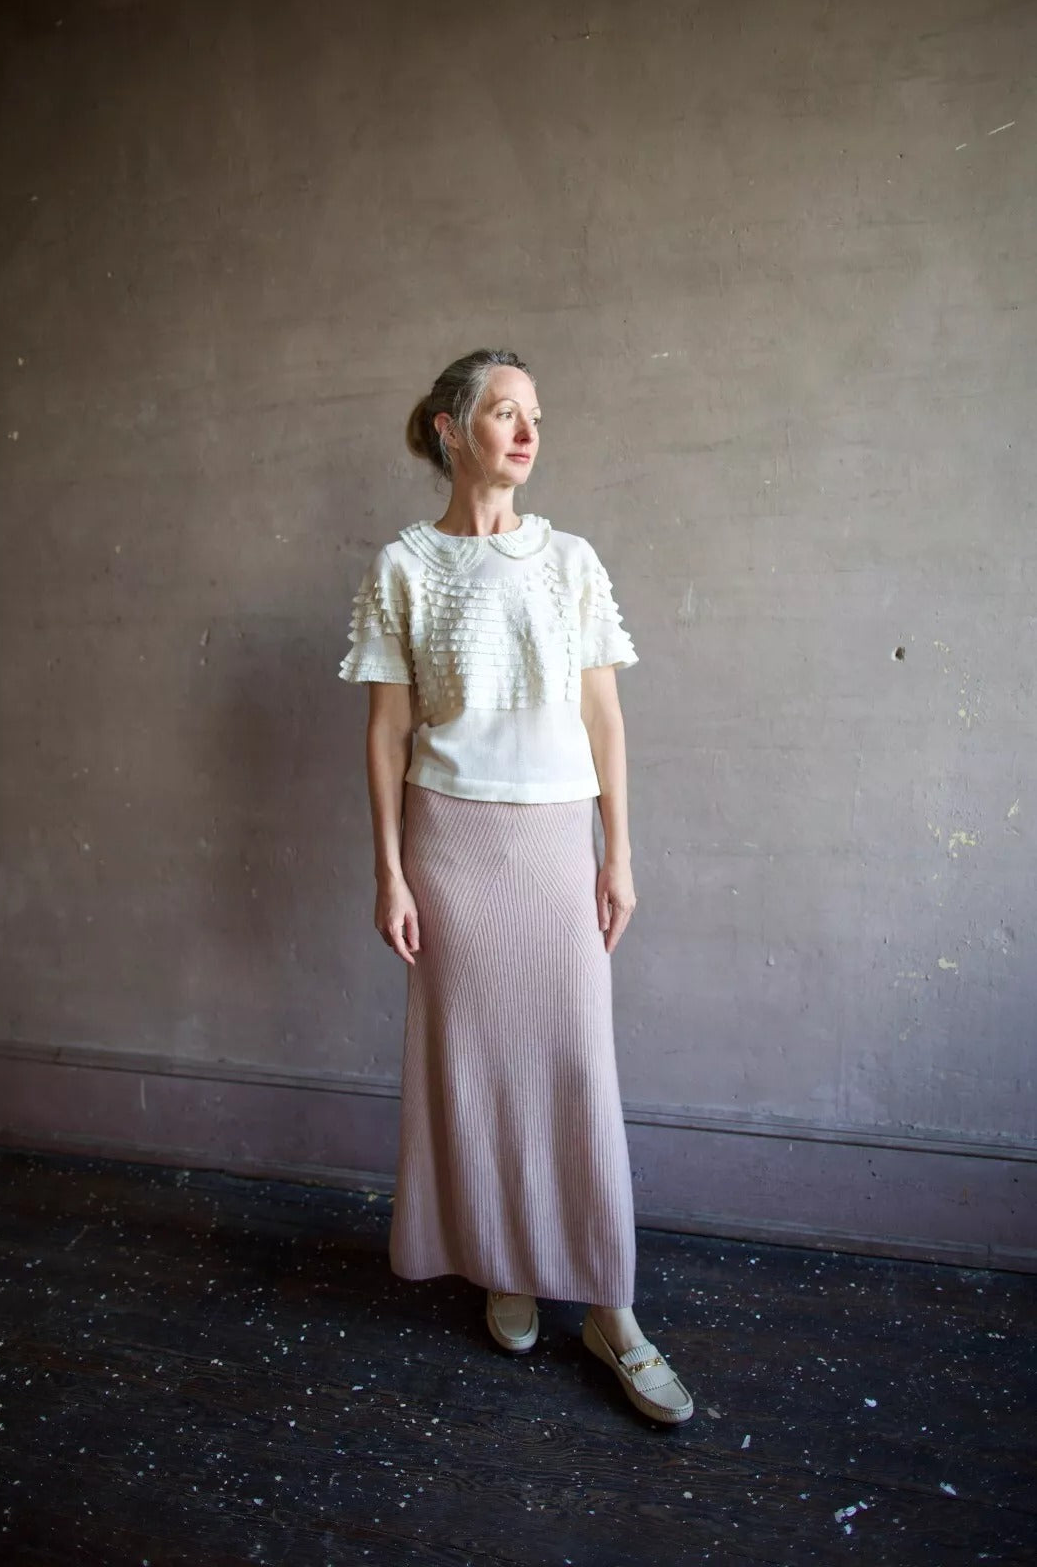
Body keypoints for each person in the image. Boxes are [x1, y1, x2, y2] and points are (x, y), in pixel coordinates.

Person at [338, 348, 693, 1425]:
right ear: (452, 430)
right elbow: (387, 732)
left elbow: (604, 719)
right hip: (449, 845)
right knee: (475, 1068)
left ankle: (613, 1312)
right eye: (504, 412)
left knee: (574, 1064)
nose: (528, 431)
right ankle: (506, 1262)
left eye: (535, 413)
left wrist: (617, 855)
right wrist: (390, 871)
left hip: (552, 841)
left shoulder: (570, 560)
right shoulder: (403, 565)